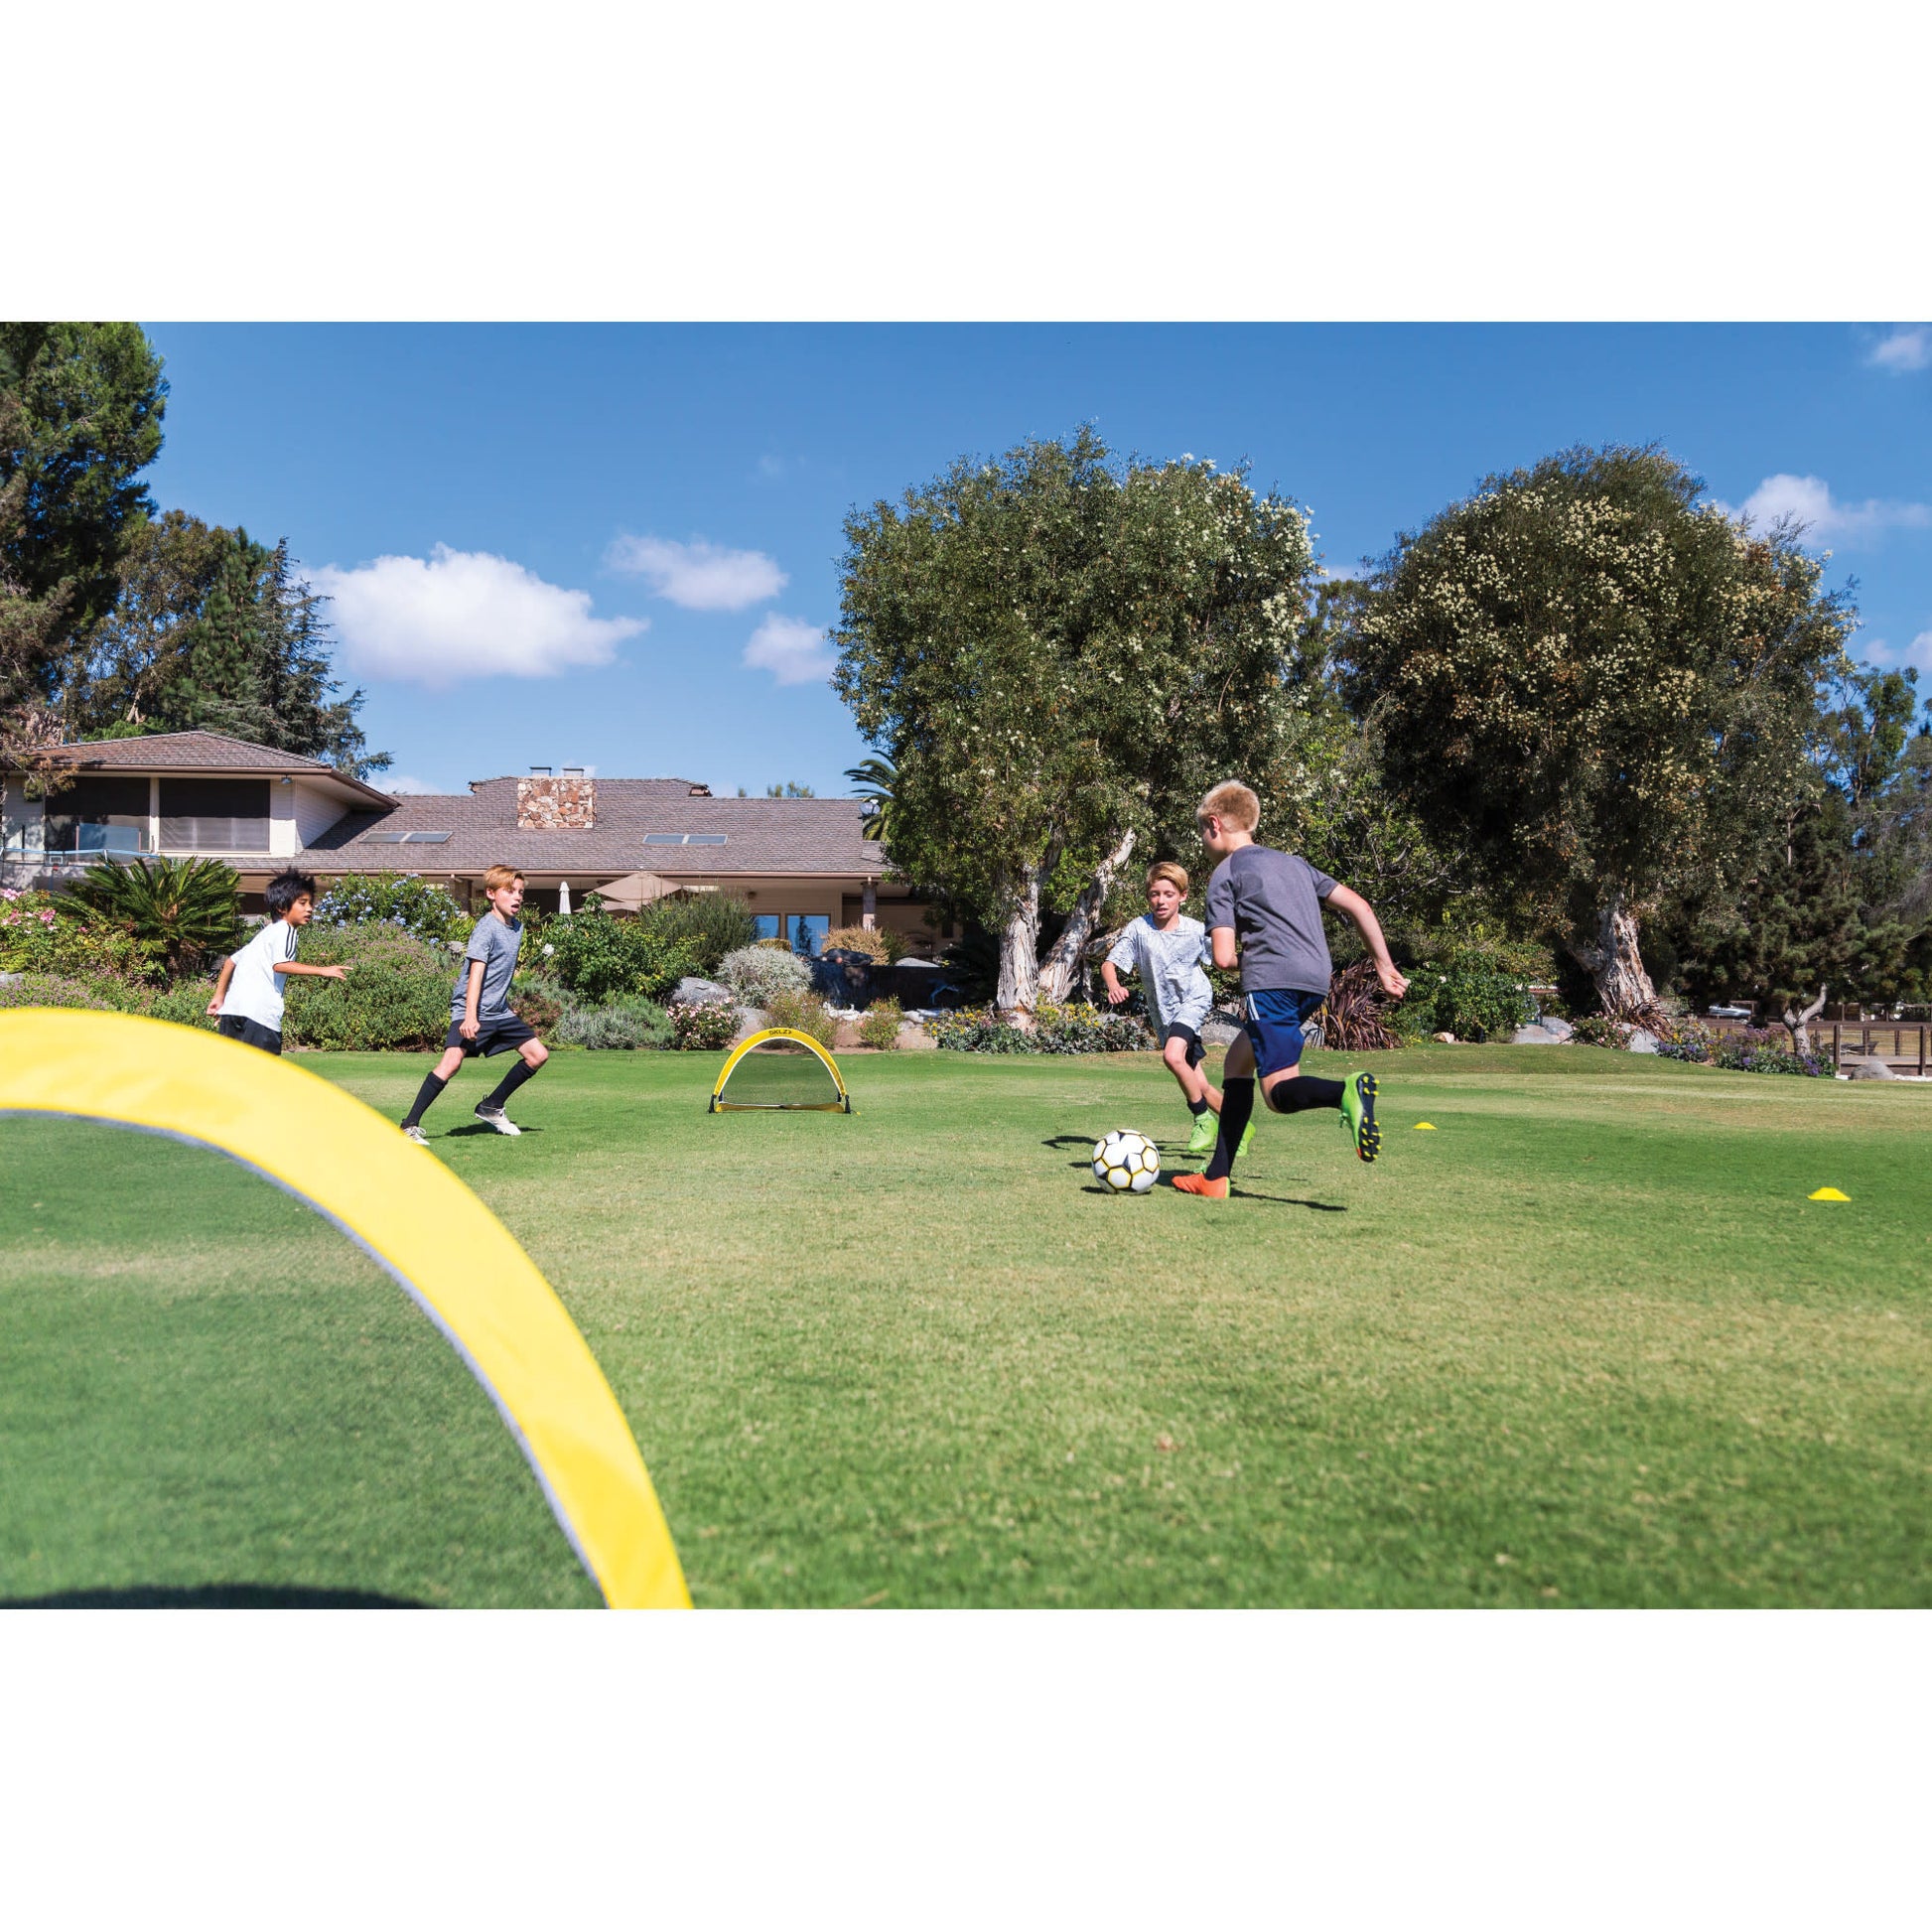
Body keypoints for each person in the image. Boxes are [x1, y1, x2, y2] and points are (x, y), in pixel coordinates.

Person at [1172, 781, 1408, 1200]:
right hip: (1316, 981)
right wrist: (1384, 967)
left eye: (1202, 835)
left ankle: (1345, 1092)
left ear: (1214, 824)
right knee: (1237, 1063)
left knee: (1278, 1093)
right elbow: (1359, 906)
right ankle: (1215, 1176)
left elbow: (1224, 957)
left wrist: (1263, 958)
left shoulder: (1224, 875)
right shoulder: (1296, 864)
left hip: (1272, 984)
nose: (1203, 844)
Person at [1100, 860, 1249, 1160]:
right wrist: (1113, 983)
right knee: (1200, 1083)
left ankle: (1202, 1119)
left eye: (1168, 894)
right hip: (1163, 1014)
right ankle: (1241, 1128)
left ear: (1182, 896)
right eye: (1155, 894)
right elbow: (1109, 963)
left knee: (1172, 1056)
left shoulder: (1196, 930)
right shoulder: (1139, 929)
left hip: (1193, 1000)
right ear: (1148, 897)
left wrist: (1254, 964)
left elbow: (1225, 960)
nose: (1161, 900)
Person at [400, 865, 548, 1143]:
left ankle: (491, 1106)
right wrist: (470, 1017)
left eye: (520, 892)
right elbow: (476, 975)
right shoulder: (486, 928)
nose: (517, 897)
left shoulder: (517, 928)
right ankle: (408, 1125)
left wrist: (505, 1004)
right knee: (451, 1063)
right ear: (491, 894)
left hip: (499, 1012)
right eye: (509, 891)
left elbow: (501, 972)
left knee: (537, 1054)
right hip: (471, 1009)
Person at [205, 869, 347, 1053]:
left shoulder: (264, 935)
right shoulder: (287, 930)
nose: (310, 908)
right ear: (282, 907)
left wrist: (219, 997)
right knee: (265, 1078)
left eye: (311, 903)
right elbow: (280, 965)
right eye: (302, 903)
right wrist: (322, 970)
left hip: (232, 1013)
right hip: (260, 1016)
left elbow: (230, 961)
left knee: (235, 1077)